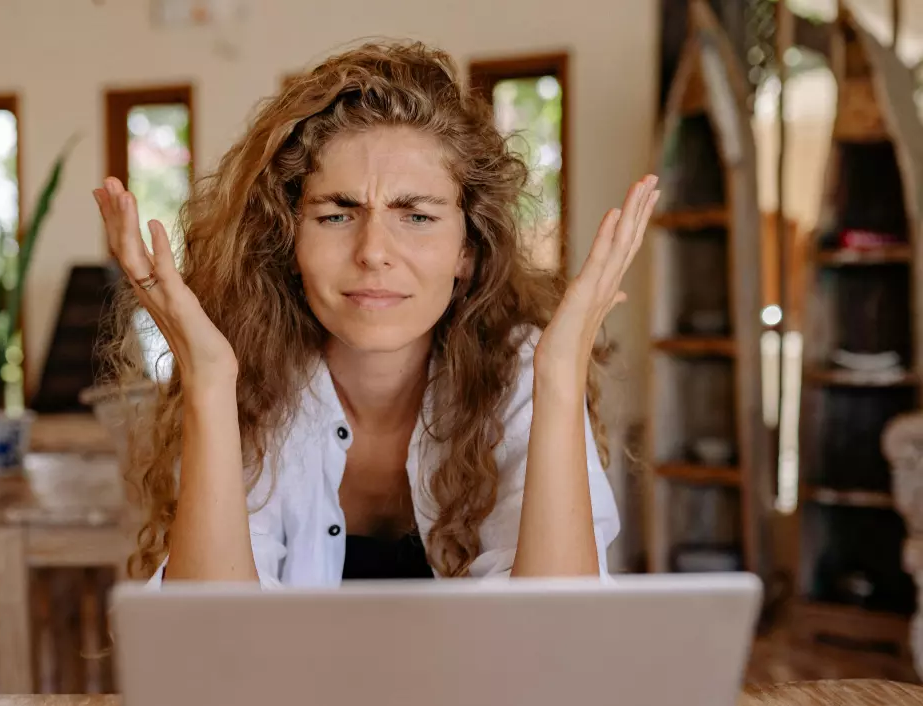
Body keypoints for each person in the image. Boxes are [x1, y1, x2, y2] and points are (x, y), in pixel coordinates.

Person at [93, 40, 657, 587]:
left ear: (467, 249)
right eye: (337, 215)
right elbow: (210, 645)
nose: (373, 251)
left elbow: (556, 644)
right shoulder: (250, 378)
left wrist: (559, 376)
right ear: (289, 242)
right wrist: (210, 383)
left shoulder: (519, 369)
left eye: (416, 216)